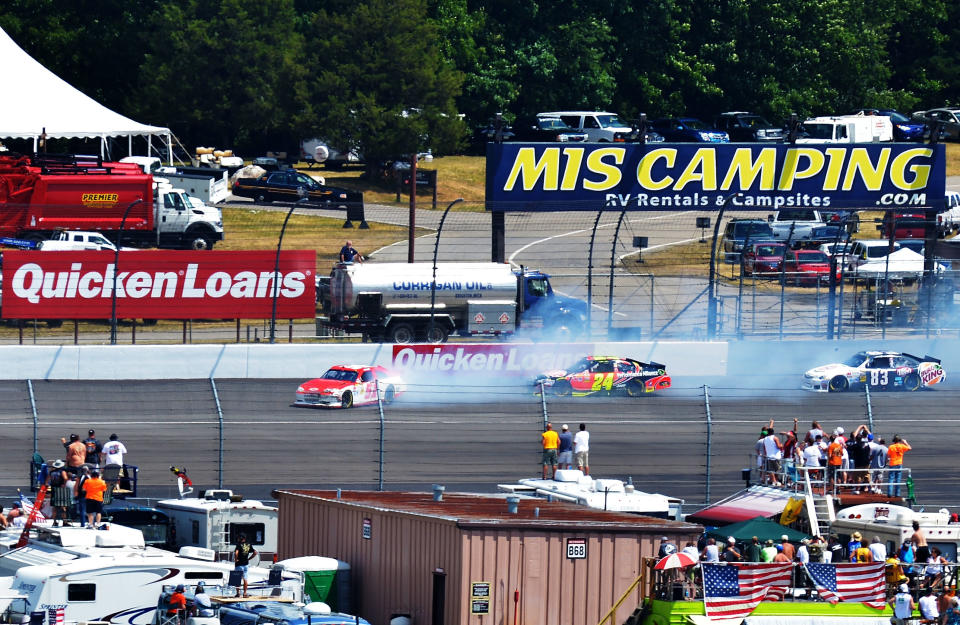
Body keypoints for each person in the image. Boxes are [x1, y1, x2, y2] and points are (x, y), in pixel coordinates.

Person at [47, 459, 72, 526]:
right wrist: (64, 484)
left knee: (54, 507)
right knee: (63, 506)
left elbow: (47, 480)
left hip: (54, 489)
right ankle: (64, 521)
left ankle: (55, 522)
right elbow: (65, 478)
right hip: (61, 490)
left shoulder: (51, 472)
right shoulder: (62, 471)